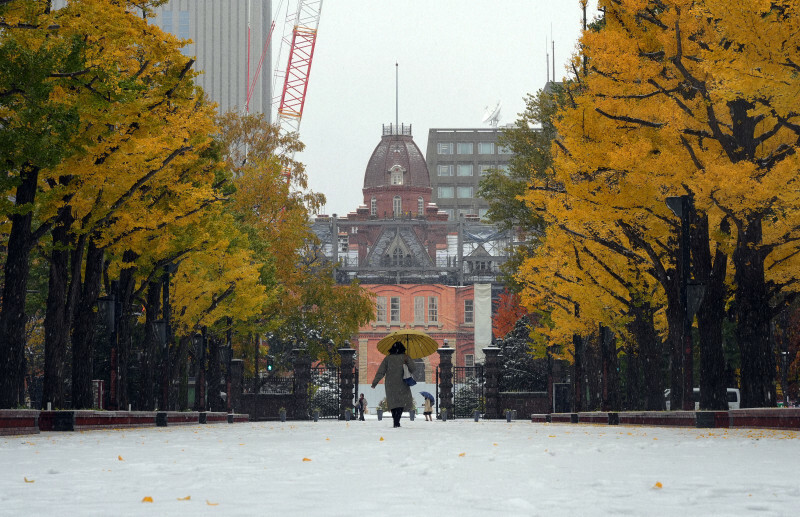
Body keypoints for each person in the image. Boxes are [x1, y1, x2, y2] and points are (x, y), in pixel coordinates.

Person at [371, 341, 415, 428]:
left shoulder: (388, 359)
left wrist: (374, 383)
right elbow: (413, 369)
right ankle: (397, 421)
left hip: (390, 384)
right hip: (402, 383)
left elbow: (381, 372)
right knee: (401, 403)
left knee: (393, 403)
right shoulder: (405, 357)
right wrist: (408, 360)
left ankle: (395, 420)